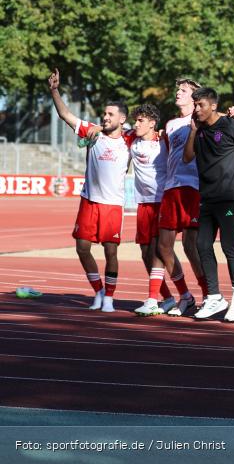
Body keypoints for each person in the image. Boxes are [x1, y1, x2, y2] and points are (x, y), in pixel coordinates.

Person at [48, 69, 130, 312]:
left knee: (111, 250)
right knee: (82, 247)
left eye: (110, 114)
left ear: (122, 119)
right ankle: (98, 291)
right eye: (104, 113)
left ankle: (110, 298)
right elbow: (65, 114)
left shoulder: (131, 140)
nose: (105, 117)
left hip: (112, 204)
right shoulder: (92, 132)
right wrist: (54, 90)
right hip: (89, 200)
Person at [183, 88, 234, 322]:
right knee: (202, 245)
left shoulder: (230, 126)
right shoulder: (198, 130)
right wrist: (192, 132)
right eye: (195, 105)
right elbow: (187, 157)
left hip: (229, 197)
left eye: (200, 105)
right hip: (206, 197)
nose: (196, 109)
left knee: (229, 247)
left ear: (212, 106)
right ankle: (215, 297)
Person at [129, 104, 191, 316]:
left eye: (140, 121)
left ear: (152, 123)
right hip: (143, 203)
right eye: (135, 120)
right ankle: (168, 298)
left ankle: (164, 297)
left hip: (163, 200)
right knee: (146, 253)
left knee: (160, 250)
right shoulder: (131, 140)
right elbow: (113, 130)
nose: (136, 124)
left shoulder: (164, 139)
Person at [158, 78, 206, 316]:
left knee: (191, 247)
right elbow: (167, 156)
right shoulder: (169, 125)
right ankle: (185, 295)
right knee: (164, 245)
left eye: (183, 90)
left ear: (194, 97)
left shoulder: (201, 120)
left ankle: (209, 295)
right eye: (177, 89)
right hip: (171, 188)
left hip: (193, 187)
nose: (178, 93)